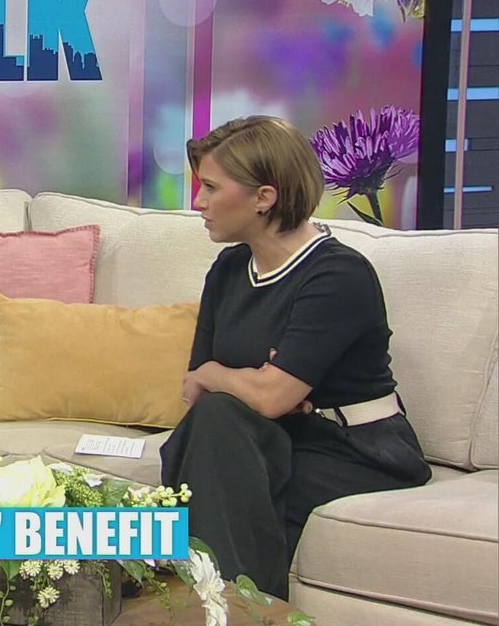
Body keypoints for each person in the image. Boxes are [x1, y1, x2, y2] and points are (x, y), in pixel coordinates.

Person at [159, 115, 431, 599]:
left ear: (264, 198)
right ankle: (230, 606)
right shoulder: (228, 268)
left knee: (210, 471)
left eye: (211, 188)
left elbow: (261, 394)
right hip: (271, 437)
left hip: (354, 449)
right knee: (213, 428)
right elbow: (196, 390)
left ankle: (228, 606)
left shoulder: (338, 275)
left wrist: (224, 374)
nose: (198, 201)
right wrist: (253, 387)